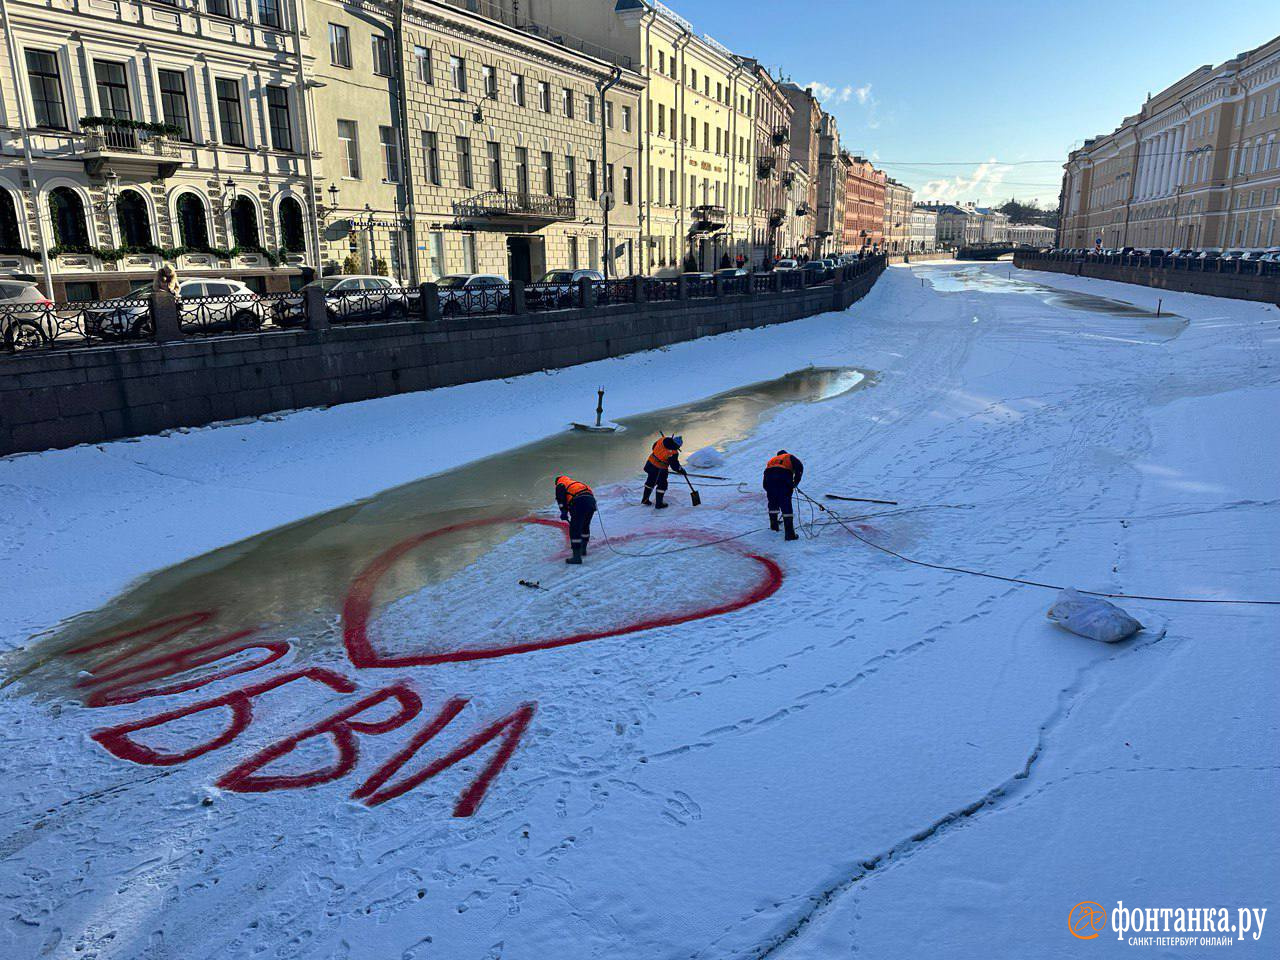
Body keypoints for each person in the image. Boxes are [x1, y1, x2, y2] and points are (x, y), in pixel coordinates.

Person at [763, 449, 804, 541]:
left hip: (770, 481)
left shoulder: (772, 460)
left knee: (773, 504)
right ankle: (789, 534)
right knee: (786, 505)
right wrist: (795, 482)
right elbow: (799, 467)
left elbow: (765, 476)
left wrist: (770, 490)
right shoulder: (788, 456)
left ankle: (774, 527)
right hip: (783, 479)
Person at [555, 475, 596, 564]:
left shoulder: (560, 484)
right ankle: (583, 550)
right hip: (591, 502)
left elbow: (561, 500)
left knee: (575, 530)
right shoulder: (576, 483)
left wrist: (564, 512)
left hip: (579, 502)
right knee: (585, 526)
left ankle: (576, 557)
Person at [642, 434, 684, 509]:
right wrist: (681, 470)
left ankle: (645, 500)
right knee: (662, 485)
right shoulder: (673, 453)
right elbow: (674, 466)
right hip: (660, 469)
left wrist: (659, 454)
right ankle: (659, 504)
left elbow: (654, 447)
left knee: (650, 481)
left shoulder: (662, 439)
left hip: (650, 463)